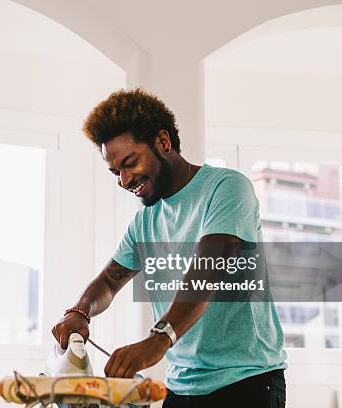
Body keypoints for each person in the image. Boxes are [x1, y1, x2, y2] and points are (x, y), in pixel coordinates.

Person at [51, 89, 287, 407]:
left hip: (247, 383)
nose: (123, 179)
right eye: (115, 171)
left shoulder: (226, 188)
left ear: (163, 143)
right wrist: (79, 313)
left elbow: (209, 270)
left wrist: (158, 340)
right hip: (181, 386)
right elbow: (109, 280)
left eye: (130, 163)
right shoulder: (144, 223)